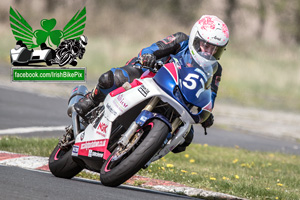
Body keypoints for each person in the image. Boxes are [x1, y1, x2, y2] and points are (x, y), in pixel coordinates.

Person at [74, 15, 229, 152]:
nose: (209, 52)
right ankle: (91, 99)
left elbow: (211, 96)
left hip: (178, 97)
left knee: (185, 139)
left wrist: (206, 113)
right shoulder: (181, 40)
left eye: (215, 49)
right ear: (195, 38)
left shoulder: (216, 70)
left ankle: (144, 151)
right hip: (150, 74)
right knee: (112, 78)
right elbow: (151, 49)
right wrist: (149, 57)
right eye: (206, 45)